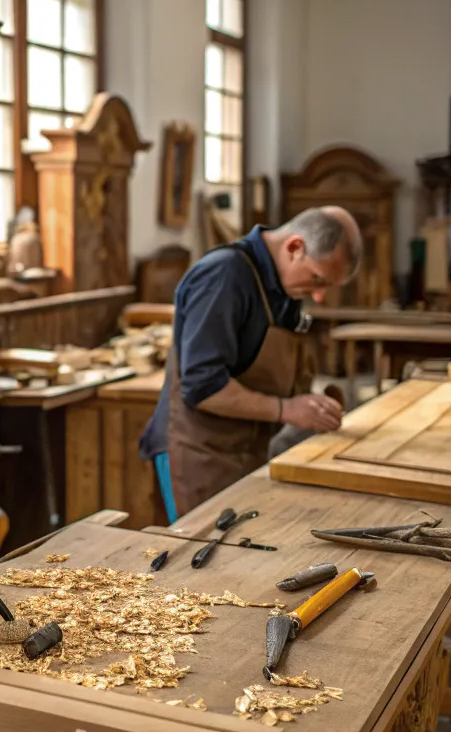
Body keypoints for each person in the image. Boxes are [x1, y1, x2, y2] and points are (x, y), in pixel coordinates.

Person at [139, 207, 362, 520]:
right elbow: (203, 387)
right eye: (317, 280)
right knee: (200, 561)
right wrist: (287, 409)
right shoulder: (224, 276)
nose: (320, 296)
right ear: (294, 248)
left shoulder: (284, 285)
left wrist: (311, 402)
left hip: (245, 447)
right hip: (197, 454)